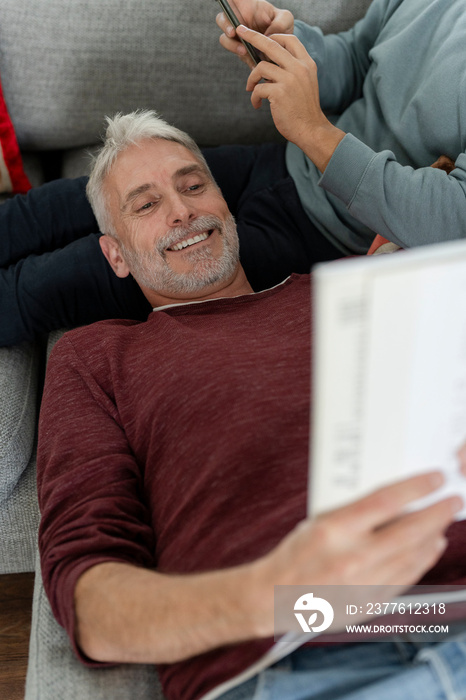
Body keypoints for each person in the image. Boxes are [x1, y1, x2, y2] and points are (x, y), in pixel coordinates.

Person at [38, 110, 466, 700]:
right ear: (116, 255)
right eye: (146, 204)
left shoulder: (349, 286)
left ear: (225, 203)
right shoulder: (97, 357)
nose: (183, 211)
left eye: (193, 186)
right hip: (300, 654)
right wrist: (275, 588)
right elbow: (91, 602)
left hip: (450, 606)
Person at [2, 0, 466, 347]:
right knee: (44, 211)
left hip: (333, 234)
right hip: (284, 161)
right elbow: (360, 60)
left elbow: (451, 220)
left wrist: (312, 130)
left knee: (43, 285)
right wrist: (281, 48)